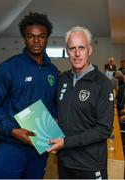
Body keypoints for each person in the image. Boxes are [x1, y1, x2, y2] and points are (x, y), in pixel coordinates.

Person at [0, 12, 59, 179]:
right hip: (11, 146)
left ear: (47, 38)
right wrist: (12, 130)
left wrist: (55, 119)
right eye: (31, 36)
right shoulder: (8, 68)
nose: (37, 41)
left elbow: (52, 105)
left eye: (41, 36)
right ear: (24, 38)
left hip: (39, 147)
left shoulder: (53, 71)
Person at [47, 26, 114, 179]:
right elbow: (61, 116)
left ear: (89, 50)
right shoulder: (63, 79)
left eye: (81, 48)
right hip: (64, 162)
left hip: (90, 165)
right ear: (67, 51)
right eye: (72, 48)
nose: (77, 54)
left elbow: (104, 129)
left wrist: (66, 142)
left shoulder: (102, 83)